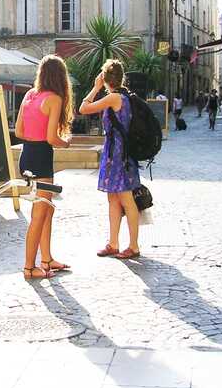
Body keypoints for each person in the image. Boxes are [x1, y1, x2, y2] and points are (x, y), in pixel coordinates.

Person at [15, 55, 73, 279]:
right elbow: (51, 137)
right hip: (41, 157)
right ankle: (29, 267)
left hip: (27, 154)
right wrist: (65, 141)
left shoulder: (30, 94)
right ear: (60, 77)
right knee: (39, 214)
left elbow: (19, 132)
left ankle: (47, 259)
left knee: (47, 208)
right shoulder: (55, 99)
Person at [79, 59, 142, 260]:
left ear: (105, 78)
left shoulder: (114, 97)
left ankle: (133, 246)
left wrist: (95, 87)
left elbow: (83, 108)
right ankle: (113, 243)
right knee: (113, 198)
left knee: (126, 199)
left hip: (118, 154)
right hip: (116, 152)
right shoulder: (123, 96)